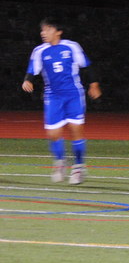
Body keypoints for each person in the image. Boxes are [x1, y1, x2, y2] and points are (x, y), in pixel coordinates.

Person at [22, 17, 102, 185]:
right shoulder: (40, 50)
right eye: (42, 30)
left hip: (73, 95)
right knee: (53, 134)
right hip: (53, 96)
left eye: (47, 29)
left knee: (75, 130)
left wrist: (94, 84)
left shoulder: (72, 47)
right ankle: (60, 162)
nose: (43, 33)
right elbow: (33, 69)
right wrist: (27, 80)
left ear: (58, 31)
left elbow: (86, 66)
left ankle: (79, 167)